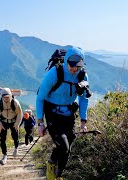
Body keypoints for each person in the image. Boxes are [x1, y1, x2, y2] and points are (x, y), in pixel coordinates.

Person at [36, 46, 89, 178]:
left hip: (69, 113)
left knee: (67, 147)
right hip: (52, 113)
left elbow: (84, 99)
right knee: (64, 148)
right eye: (71, 66)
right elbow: (40, 98)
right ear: (66, 61)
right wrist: (40, 123)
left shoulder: (82, 75)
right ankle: (55, 173)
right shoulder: (55, 73)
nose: (74, 69)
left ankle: (56, 169)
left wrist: (83, 121)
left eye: (77, 66)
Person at [0, 87, 22, 165]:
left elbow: (19, 113)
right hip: (3, 122)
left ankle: (16, 148)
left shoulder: (15, 102)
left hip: (13, 121)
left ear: (10, 96)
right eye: (4, 97)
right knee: (2, 139)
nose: (6, 99)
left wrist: (17, 124)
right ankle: (4, 155)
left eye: (8, 97)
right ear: (2, 96)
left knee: (15, 136)